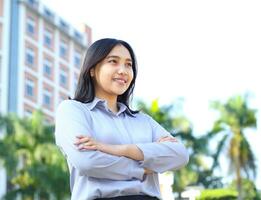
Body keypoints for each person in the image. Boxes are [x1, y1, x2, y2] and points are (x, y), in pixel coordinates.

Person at [55, 38, 189, 200]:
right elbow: (87, 162)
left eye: (129, 64)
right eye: (113, 62)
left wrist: (116, 149)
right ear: (92, 69)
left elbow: (180, 155)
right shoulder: (73, 110)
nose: (123, 70)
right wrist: (144, 168)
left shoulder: (143, 120)